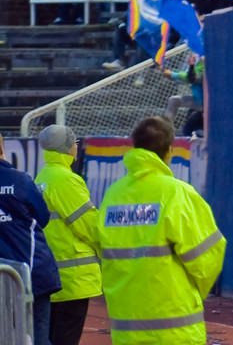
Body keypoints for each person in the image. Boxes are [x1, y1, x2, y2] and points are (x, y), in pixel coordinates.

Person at [98, 115, 223, 345]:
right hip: (174, 327)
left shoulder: (113, 195)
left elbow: (103, 249)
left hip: (126, 326)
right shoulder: (176, 193)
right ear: (169, 151)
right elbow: (208, 256)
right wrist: (195, 294)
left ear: (134, 147)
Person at [34, 125, 98, 345]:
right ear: (68, 148)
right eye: (74, 143)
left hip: (53, 273)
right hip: (73, 279)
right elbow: (88, 225)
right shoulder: (66, 180)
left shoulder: (43, 177)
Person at [1, 145, 59, 345]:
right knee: (38, 335)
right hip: (33, 272)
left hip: (9, 275)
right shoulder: (20, 180)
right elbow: (43, 217)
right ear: (2, 149)